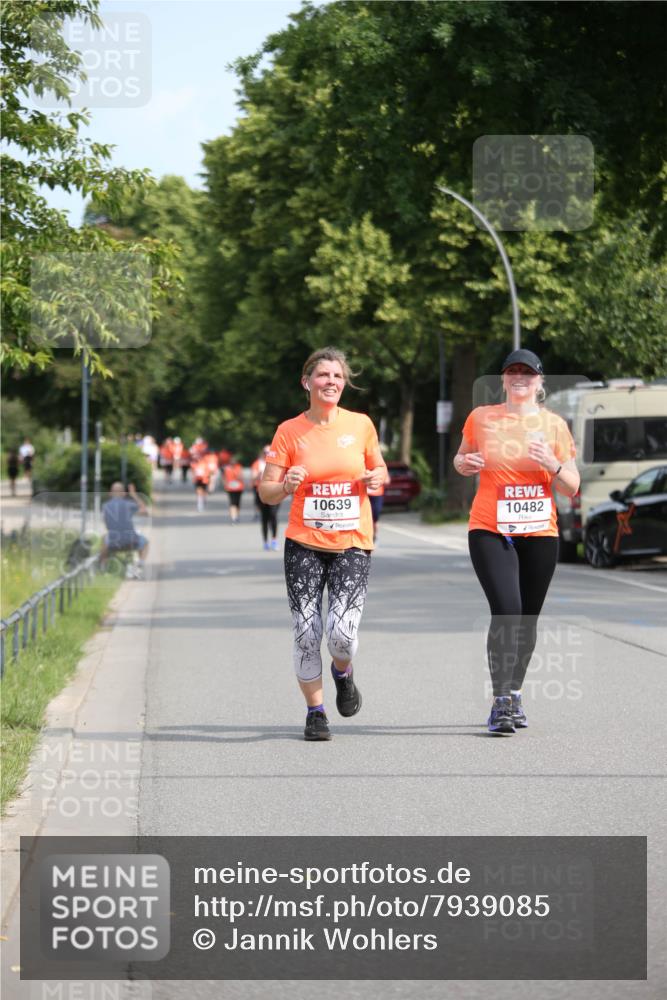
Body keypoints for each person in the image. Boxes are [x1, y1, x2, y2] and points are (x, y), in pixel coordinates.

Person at [259, 346, 387, 741]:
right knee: (306, 630)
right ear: (306, 382)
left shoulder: (361, 425)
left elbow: (379, 469)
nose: (331, 382)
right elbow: (266, 492)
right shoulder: (289, 431)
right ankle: (316, 712)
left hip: (351, 541)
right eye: (322, 376)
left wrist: (375, 479)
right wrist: (285, 485)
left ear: (344, 382)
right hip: (304, 542)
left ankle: (343, 673)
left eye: (337, 376)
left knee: (342, 634)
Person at [453, 349, 580, 735]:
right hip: (491, 528)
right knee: (507, 609)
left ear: (539, 382)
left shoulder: (554, 425)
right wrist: (464, 464)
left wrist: (551, 464)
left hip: (540, 532)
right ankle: (501, 700)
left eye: (528, 372)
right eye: (513, 372)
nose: (520, 377)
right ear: (504, 380)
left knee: (527, 619)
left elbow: (572, 486)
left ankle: (516, 691)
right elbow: (461, 459)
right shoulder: (482, 418)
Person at [100, 482, 149, 578]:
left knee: (104, 539)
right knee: (145, 543)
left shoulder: (105, 506)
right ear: (124, 493)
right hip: (131, 542)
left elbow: (106, 523)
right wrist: (134, 494)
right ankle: (139, 566)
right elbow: (145, 512)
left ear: (110, 493)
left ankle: (103, 568)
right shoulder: (129, 505)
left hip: (112, 544)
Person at [252, 445, 280, 549]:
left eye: (269, 453)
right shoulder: (258, 464)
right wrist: (258, 475)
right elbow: (252, 478)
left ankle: (274, 539)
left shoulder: (277, 463)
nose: (267, 455)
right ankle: (265, 541)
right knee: (264, 517)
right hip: (261, 492)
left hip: (274, 491)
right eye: (266, 453)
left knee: (273, 515)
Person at [366, 468, 391, 543]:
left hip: (377, 495)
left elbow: (387, 480)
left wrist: (378, 479)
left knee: (375, 517)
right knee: (365, 517)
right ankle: (367, 537)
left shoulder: (379, 467)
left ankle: (374, 536)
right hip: (365, 495)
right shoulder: (363, 466)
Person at [223, 454, 244, 523]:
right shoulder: (227, 468)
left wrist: (237, 475)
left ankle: (237, 516)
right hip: (230, 488)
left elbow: (241, 477)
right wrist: (225, 485)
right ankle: (233, 517)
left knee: (237, 503)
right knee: (232, 503)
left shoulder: (239, 467)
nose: (233, 462)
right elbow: (224, 478)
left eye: (234, 461)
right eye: (232, 461)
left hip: (238, 488)